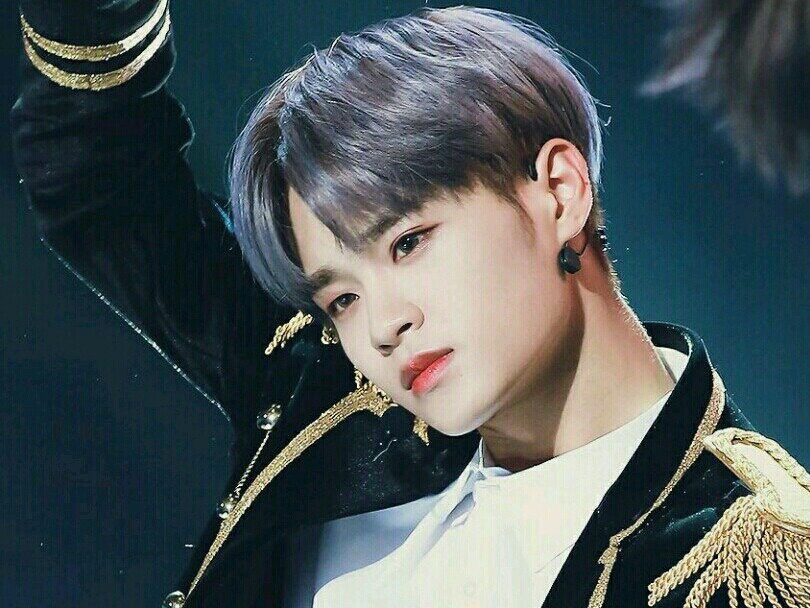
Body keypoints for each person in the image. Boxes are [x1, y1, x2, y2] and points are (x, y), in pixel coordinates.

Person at [11, 3, 810, 608]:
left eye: (408, 242)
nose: (382, 326)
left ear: (559, 193)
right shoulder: (330, 393)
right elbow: (102, 177)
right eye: (342, 297)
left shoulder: (745, 568)